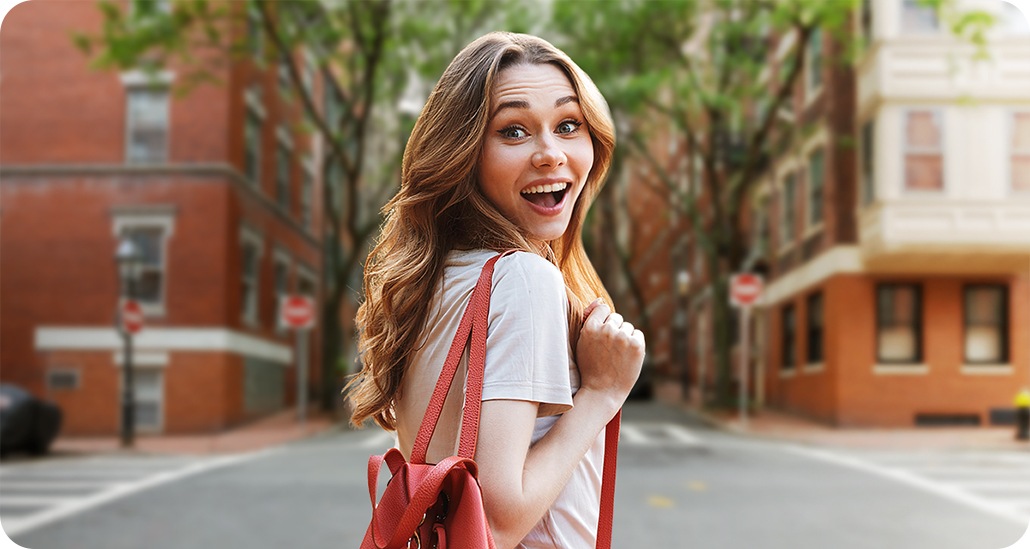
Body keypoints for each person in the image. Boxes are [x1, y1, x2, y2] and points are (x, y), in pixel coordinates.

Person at [347, 32, 645, 549]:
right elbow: (499, 520)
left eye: (568, 124)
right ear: (463, 152)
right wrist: (602, 393)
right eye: (513, 131)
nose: (551, 154)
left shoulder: (434, 281)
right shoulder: (522, 279)